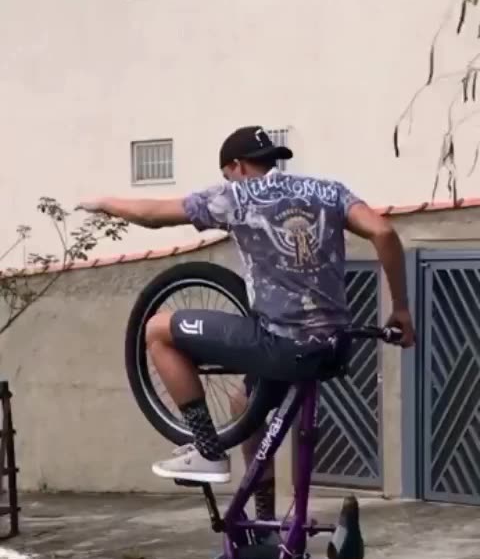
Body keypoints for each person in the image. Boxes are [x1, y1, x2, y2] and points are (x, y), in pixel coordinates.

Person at [77, 125, 415, 507]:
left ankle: (208, 451)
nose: (228, 180)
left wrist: (105, 202)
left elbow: (153, 215)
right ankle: (263, 510)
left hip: (282, 345)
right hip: (335, 347)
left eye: (228, 174)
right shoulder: (329, 191)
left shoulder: (235, 197)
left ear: (236, 166)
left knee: (157, 329)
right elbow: (384, 233)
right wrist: (401, 308)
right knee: (243, 402)